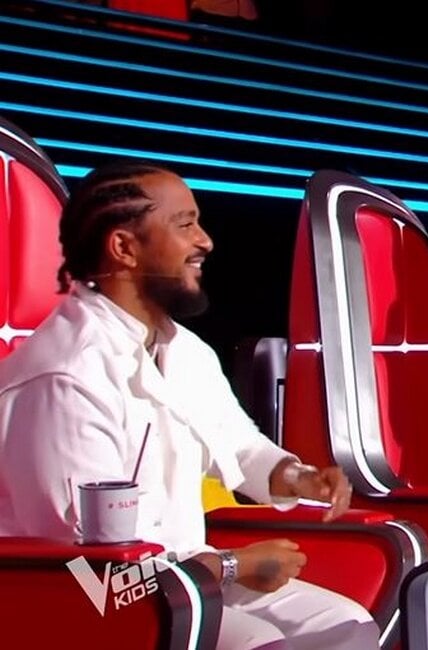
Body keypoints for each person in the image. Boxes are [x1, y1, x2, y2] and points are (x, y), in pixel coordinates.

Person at [0, 162, 378, 650]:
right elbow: (89, 581)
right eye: (185, 225)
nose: (205, 241)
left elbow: (239, 446)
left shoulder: (186, 351)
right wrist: (231, 565)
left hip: (185, 580)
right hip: (94, 607)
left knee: (346, 626)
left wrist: (298, 477)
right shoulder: (65, 379)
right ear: (124, 248)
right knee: (261, 643)